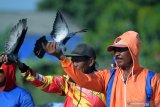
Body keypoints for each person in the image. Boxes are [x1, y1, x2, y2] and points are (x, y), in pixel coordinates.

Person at [44, 31, 160, 107]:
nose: (117, 54)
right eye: (115, 50)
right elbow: (83, 80)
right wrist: (61, 57)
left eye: (121, 49)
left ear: (133, 51)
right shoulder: (107, 76)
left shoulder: (152, 79)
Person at [5, 44, 106, 107]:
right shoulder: (68, 82)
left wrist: (60, 56)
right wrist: (20, 64)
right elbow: (44, 81)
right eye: (73, 60)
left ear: (90, 62)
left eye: (78, 60)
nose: (74, 64)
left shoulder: (104, 81)